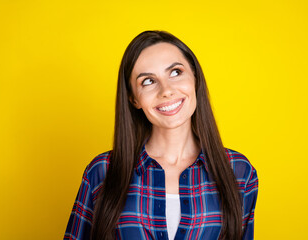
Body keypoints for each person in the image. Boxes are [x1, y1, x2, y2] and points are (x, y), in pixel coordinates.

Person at [64, 31, 258, 240]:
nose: (166, 90)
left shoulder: (238, 171)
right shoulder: (102, 171)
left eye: (175, 72)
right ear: (133, 99)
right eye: (148, 81)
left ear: (195, 78)